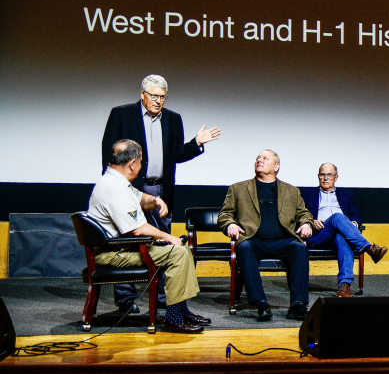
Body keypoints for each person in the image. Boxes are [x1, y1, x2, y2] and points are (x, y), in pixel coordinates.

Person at [101, 74, 221, 312]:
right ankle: (126, 301)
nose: (158, 101)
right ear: (142, 94)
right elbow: (109, 155)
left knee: (164, 242)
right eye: (154, 96)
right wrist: (116, 188)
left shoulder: (173, 119)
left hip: (161, 190)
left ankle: (166, 299)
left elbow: (176, 154)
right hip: (130, 188)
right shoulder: (121, 114)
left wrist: (197, 143)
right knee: (128, 241)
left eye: (162, 97)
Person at [87, 140, 209, 333]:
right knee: (177, 253)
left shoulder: (116, 181)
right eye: (141, 162)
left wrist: (155, 200)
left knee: (182, 249)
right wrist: (168, 237)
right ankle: (173, 319)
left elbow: (139, 197)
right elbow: (137, 230)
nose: (142, 166)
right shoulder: (115, 189)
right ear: (132, 163)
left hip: (122, 247)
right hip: (115, 252)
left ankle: (181, 311)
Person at [218, 149, 314, 321]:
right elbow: (225, 215)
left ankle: (298, 305)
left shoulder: (292, 191)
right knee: (245, 247)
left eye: (265, 158)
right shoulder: (238, 188)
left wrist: (307, 223)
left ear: (276, 166)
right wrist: (230, 224)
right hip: (253, 240)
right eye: (258, 158)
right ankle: (261, 303)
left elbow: (304, 214)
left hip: (283, 241)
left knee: (299, 248)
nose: (259, 160)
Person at [300, 163, 388, 298]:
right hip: (319, 234)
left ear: (336, 177)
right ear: (318, 176)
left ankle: (344, 287)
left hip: (341, 235)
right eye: (322, 174)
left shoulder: (346, 194)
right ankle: (370, 249)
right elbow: (300, 214)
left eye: (329, 175)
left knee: (342, 236)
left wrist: (352, 224)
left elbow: (356, 215)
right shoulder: (307, 194)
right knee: (337, 217)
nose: (325, 178)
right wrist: (311, 221)